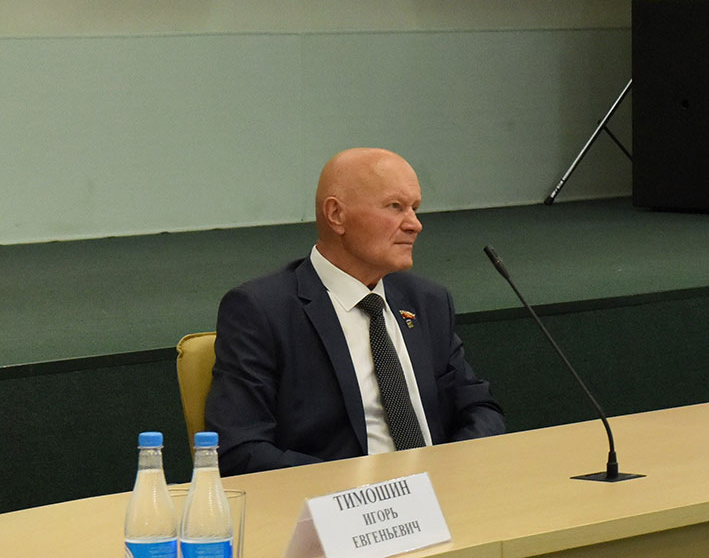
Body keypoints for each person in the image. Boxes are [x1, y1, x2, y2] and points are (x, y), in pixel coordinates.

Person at [205, 148, 504, 474]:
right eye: (395, 207)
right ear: (336, 215)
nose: (415, 225)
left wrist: (449, 471)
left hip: (442, 490)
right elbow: (239, 449)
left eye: (415, 208)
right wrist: (360, 486)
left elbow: (479, 408)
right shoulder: (262, 310)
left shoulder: (427, 301)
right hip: (337, 497)